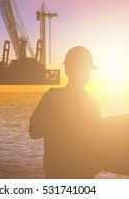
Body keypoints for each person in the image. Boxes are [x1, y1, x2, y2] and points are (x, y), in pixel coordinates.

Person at [29, 46, 101, 178]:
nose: (84, 74)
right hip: (80, 175)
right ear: (68, 70)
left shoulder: (52, 97)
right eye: (82, 69)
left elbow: (34, 131)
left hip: (59, 173)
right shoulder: (92, 105)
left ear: (67, 69)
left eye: (86, 70)